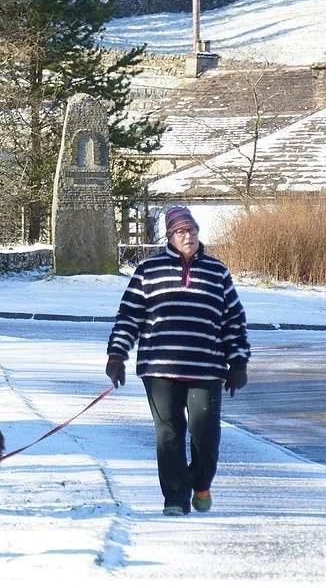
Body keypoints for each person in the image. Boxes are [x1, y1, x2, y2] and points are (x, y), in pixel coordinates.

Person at [105, 205, 250, 516]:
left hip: (206, 368)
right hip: (160, 368)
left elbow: (233, 320)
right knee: (169, 432)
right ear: (170, 236)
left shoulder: (217, 272)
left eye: (193, 231)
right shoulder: (148, 271)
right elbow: (129, 315)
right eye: (182, 232)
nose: (189, 236)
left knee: (205, 433)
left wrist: (238, 362)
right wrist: (117, 354)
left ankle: (200, 483)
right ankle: (174, 498)